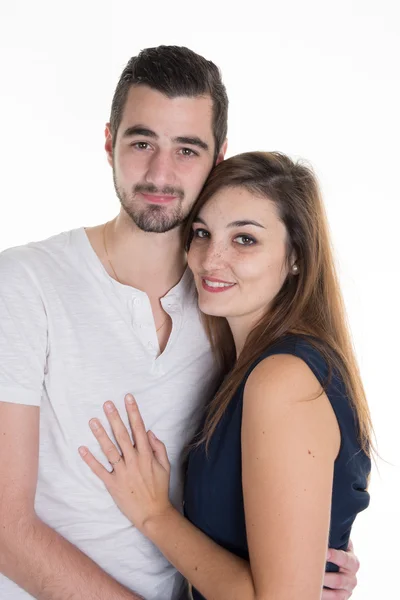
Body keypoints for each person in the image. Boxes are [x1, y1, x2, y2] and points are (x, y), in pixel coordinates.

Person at [0, 45, 360, 600]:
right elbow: (6, 531)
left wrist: (311, 555)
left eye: (186, 149)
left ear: (218, 156)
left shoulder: (224, 305)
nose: (160, 173)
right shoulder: (24, 282)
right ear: (108, 143)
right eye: (141, 142)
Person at [78, 151, 372, 600]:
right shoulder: (250, 366)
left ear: (296, 257)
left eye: (245, 240)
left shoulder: (282, 381)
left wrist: (155, 515)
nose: (211, 258)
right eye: (202, 233)